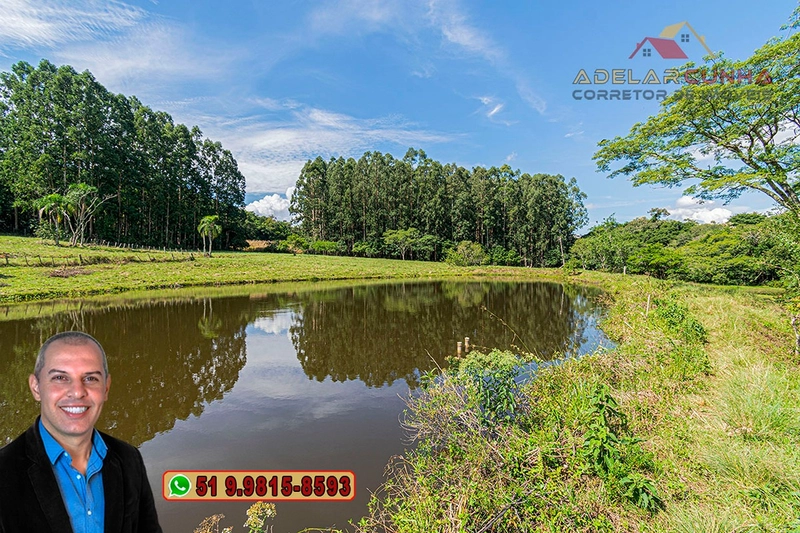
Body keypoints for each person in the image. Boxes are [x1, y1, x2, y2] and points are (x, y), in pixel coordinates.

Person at [0, 331, 162, 533]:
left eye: (91, 378)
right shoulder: (4, 472)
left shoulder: (129, 459)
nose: (77, 391)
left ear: (106, 388)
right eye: (60, 377)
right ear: (36, 387)